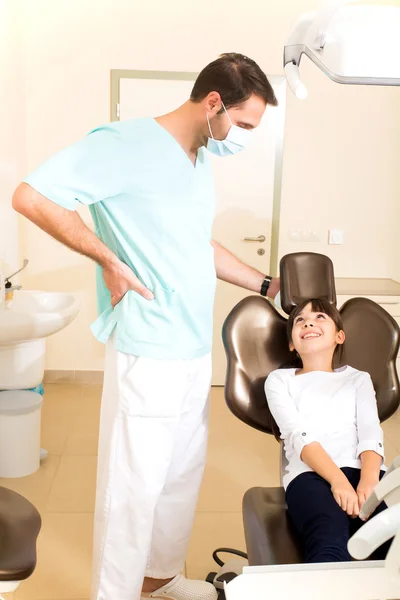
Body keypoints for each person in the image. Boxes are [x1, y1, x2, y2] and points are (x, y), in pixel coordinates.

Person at [12, 53, 280, 600]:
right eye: (243, 125)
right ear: (212, 105)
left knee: (180, 478)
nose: (243, 139)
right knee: (132, 489)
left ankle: (159, 581)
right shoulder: (122, 144)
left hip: (190, 348)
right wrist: (107, 257)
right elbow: (31, 197)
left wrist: (266, 286)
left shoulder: (198, 156)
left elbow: (194, 245)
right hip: (149, 349)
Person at [265, 297, 392, 564]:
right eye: (300, 320)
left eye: (320, 317)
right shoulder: (280, 380)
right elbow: (298, 434)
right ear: (292, 343)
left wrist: (369, 482)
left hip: (362, 472)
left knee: (387, 548)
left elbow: (370, 432)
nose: (309, 321)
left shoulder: (358, 379)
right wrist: (337, 480)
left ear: (340, 336)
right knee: (329, 541)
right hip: (310, 475)